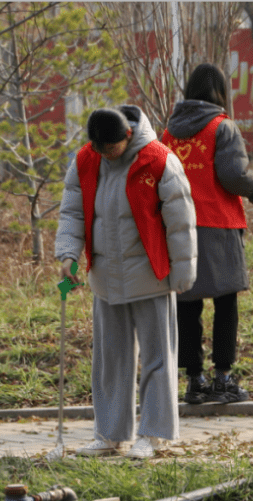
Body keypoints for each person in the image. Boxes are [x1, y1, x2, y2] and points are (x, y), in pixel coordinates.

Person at [55, 106, 197, 459]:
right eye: (99, 148)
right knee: (109, 360)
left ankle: (154, 434)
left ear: (128, 135)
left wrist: (184, 270)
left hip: (151, 274)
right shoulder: (86, 160)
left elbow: (181, 220)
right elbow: (72, 211)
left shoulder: (158, 160)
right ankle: (110, 434)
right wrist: (68, 254)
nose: (105, 155)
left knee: (158, 358)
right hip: (105, 277)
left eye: (111, 148)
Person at [161, 63, 253, 404]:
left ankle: (194, 380)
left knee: (187, 305)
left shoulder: (170, 134)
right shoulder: (221, 127)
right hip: (219, 224)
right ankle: (223, 378)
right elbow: (233, 174)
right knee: (226, 303)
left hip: (181, 227)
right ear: (221, 92)